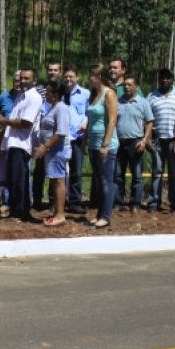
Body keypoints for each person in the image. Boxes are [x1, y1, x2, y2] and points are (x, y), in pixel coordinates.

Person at [0, 66, 42, 222]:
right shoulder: (21, 96)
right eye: (21, 79)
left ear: (35, 80)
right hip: (12, 142)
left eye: (26, 78)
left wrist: (2, 120)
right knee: (12, 179)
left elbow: (26, 123)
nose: (22, 81)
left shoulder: (34, 98)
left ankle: (22, 212)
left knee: (20, 179)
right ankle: (15, 209)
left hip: (22, 143)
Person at [83, 64, 119, 229]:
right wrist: (85, 140)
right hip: (93, 143)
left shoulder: (108, 94)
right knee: (98, 181)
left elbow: (112, 120)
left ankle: (105, 216)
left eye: (91, 75)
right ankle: (99, 214)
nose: (89, 78)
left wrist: (106, 144)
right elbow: (91, 120)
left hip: (106, 144)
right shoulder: (94, 95)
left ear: (98, 77)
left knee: (106, 181)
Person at [146, 68, 175, 214]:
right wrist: (148, 137)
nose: (164, 80)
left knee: (174, 174)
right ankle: (153, 203)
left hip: (174, 139)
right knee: (157, 172)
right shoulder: (151, 96)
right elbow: (147, 119)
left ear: (172, 80)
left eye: (167, 78)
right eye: (162, 77)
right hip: (157, 139)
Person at [33, 80, 70, 226]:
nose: (45, 95)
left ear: (55, 95)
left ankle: (60, 214)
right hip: (51, 151)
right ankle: (57, 212)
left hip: (56, 151)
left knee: (58, 181)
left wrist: (45, 147)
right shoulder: (52, 108)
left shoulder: (61, 109)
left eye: (47, 92)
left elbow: (61, 132)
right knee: (54, 181)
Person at [114, 75, 153, 212]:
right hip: (119, 142)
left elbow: (149, 123)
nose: (126, 87)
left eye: (130, 85)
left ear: (136, 87)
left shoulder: (143, 103)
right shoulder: (117, 102)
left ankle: (135, 204)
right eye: (125, 84)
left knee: (137, 176)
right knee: (118, 175)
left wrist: (144, 140)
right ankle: (119, 202)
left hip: (136, 142)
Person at [32, 63, 60, 210]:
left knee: (55, 173)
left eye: (55, 70)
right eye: (50, 70)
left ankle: (53, 202)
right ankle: (36, 198)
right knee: (39, 170)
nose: (52, 72)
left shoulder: (61, 95)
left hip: (55, 141)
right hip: (41, 138)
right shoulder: (39, 91)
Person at [63, 65, 90, 214]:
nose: (68, 79)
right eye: (66, 77)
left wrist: (86, 123)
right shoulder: (60, 93)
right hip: (62, 138)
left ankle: (74, 202)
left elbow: (89, 112)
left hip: (78, 138)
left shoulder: (85, 94)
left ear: (77, 77)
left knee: (76, 172)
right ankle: (57, 202)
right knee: (59, 171)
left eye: (71, 77)